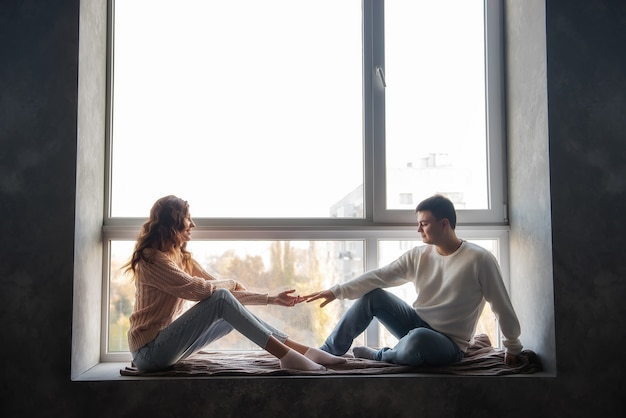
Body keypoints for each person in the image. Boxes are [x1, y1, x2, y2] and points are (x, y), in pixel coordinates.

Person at [124, 195, 345, 372]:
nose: (193, 223)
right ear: (173, 222)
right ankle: (286, 356)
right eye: (188, 218)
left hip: (170, 347)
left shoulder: (181, 257)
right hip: (149, 352)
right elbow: (200, 290)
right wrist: (231, 282)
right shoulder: (151, 259)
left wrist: (271, 299)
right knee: (222, 299)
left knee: (229, 312)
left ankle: (303, 351)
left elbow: (222, 296)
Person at [305, 194, 522, 367]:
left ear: (444, 224)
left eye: (424, 224)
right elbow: (379, 276)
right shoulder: (419, 255)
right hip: (415, 324)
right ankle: (326, 351)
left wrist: (512, 346)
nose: (418, 230)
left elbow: (501, 305)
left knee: (419, 339)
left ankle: (381, 356)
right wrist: (337, 291)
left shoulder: (479, 259)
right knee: (375, 297)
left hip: (449, 344)